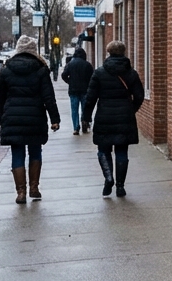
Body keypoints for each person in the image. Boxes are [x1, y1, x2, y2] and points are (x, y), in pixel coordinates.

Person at [0, 35, 61, 204]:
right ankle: (34, 188)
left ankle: (21, 192)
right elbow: (48, 97)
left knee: (17, 154)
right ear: (34, 50)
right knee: (35, 151)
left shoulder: (6, 69)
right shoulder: (41, 69)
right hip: (35, 117)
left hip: (13, 118)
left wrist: (2, 116)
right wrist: (55, 118)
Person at [82, 40, 145, 198]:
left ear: (108, 52)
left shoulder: (99, 72)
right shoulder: (131, 73)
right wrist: (132, 109)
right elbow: (139, 96)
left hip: (104, 116)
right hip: (125, 117)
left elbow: (90, 97)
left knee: (103, 149)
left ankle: (108, 178)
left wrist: (86, 117)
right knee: (122, 150)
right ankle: (120, 186)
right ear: (124, 52)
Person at [60, 47, 94, 135]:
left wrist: (69, 82)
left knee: (74, 109)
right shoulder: (87, 65)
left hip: (73, 90)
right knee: (84, 108)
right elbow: (92, 77)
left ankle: (76, 127)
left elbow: (64, 75)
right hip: (85, 90)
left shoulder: (70, 64)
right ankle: (85, 122)